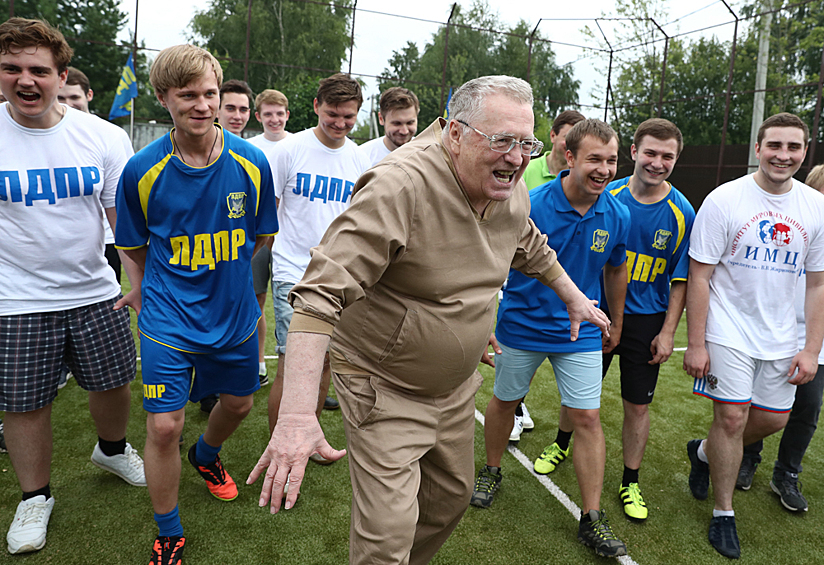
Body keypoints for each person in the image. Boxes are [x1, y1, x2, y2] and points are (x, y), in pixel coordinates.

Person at [248, 75, 611, 565]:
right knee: (387, 536)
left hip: (456, 389)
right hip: (384, 386)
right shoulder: (400, 185)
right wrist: (295, 416)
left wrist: (572, 296)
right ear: (455, 132)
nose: (517, 157)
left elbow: (525, 239)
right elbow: (316, 298)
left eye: (526, 143)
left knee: (448, 502)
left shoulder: (509, 183)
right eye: (501, 140)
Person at [114, 44, 277, 565]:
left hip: (233, 318)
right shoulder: (141, 169)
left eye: (210, 93)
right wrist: (144, 286)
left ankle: (207, 457)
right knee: (163, 425)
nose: (202, 105)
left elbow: (260, 239)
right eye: (188, 95)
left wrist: (229, 286)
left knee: (240, 405)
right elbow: (133, 246)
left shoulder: (252, 162)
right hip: (167, 317)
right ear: (165, 98)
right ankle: (168, 532)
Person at [0, 17, 145, 555]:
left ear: (61, 76)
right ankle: (34, 496)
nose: (25, 80)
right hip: (15, 298)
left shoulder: (104, 136)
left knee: (112, 382)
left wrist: (139, 285)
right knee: (24, 403)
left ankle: (112, 449)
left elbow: (120, 222)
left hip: (93, 291)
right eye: (11, 68)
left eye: (38, 69)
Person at [472, 119, 630, 558]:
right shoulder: (530, 203)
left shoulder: (617, 213)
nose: (604, 169)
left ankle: (592, 517)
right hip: (520, 327)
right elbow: (492, 263)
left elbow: (616, 269)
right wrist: (485, 317)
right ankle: (491, 469)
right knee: (505, 401)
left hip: (580, 334)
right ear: (569, 157)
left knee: (587, 419)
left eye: (612, 160)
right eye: (595, 159)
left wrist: (614, 322)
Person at [535, 119, 695, 522]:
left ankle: (630, 480)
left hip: (647, 322)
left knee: (637, 407)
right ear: (635, 152)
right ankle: (560, 443)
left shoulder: (682, 212)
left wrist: (668, 332)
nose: (658, 163)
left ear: (676, 159)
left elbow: (680, 281)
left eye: (667, 156)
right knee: (581, 396)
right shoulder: (609, 193)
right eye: (651, 153)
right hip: (596, 313)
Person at [683, 113, 824, 559]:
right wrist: (700, 342)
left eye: (794, 148)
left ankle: (703, 453)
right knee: (731, 419)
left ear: (805, 153)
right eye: (775, 146)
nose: (784, 155)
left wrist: (811, 349)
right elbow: (700, 276)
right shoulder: (724, 200)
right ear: (758, 148)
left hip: (782, 336)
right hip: (729, 328)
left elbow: (818, 284)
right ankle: (724, 514)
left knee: (774, 420)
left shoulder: (815, 208)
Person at [264, 72, 371, 458]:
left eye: (348, 117)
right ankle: (279, 442)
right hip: (294, 273)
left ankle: (306, 438)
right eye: (332, 115)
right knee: (292, 366)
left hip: (337, 278)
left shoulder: (359, 158)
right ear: (315, 107)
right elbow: (268, 211)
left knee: (325, 363)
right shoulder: (288, 150)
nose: (340, 124)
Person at [735, 163, 824, 512]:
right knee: (758, 403)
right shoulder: (796, 224)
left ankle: (786, 473)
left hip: (815, 339)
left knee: (807, 408)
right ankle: (745, 457)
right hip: (777, 330)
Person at [510, 109, 586, 440]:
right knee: (517, 365)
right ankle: (514, 407)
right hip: (525, 283)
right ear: (554, 137)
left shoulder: (588, 185)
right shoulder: (528, 173)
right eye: (567, 135)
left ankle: (524, 413)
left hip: (565, 287)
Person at [57, 67, 123, 283]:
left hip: (108, 240)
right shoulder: (43, 134)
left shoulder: (109, 136)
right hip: (62, 244)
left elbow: (122, 194)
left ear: (89, 95)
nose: (68, 103)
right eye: (61, 97)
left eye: (75, 97)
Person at [522, 109, 585, 191]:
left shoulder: (582, 177)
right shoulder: (526, 170)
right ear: (553, 135)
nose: (573, 145)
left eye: (578, 140)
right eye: (567, 138)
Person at [359, 86, 419, 166]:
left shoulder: (428, 156)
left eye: (410, 123)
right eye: (397, 123)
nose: (404, 131)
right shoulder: (362, 157)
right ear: (381, 119)